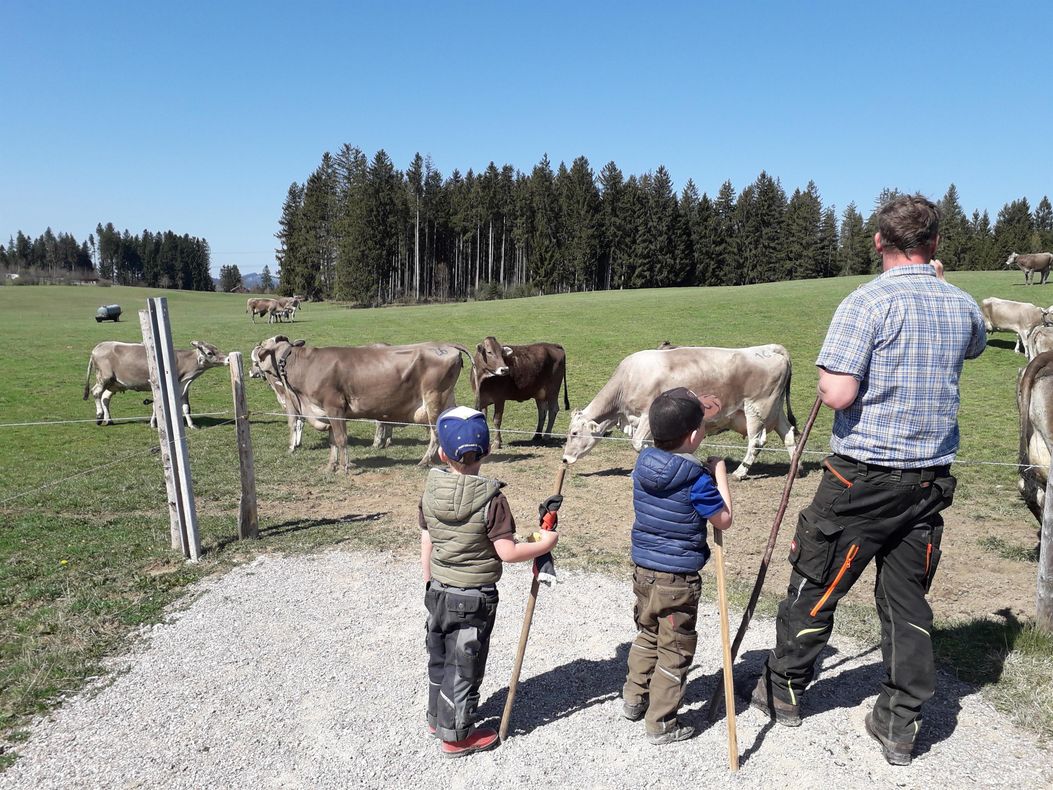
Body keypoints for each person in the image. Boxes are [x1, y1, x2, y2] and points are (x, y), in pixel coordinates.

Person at [751, 194, 987, 766]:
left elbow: (838, 393)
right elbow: (977, 347)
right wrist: (941, 284)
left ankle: (783, 689)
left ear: (879, 241)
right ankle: (900, 720)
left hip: (862, 477)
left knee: (818, 579)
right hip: (928, 481)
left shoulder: (867, 302)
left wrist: (825, 378)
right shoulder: (961, 303)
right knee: (907, 598)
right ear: (934, 244)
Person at [419, 405, 560, 758]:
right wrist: (546, 543)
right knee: (464, 665)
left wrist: (429, 581)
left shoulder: (430, 489)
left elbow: (427, 539)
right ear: (487, 451)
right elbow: (507, 552)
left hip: (437, 590)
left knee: (440, 656)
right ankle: (455, 736)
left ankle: (438, 718)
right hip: (473, 598)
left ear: (441, 453)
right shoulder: (493, 500)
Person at [621, 387, 733, 745]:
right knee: (675, 648)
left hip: (644, 571)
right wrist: (720, 475)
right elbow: (723, 519)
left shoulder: (642, 465)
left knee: (647, 634)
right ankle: (661, 723)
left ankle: (634, 699)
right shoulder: (696, 480)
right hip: (677, 580)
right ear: (695, 434)